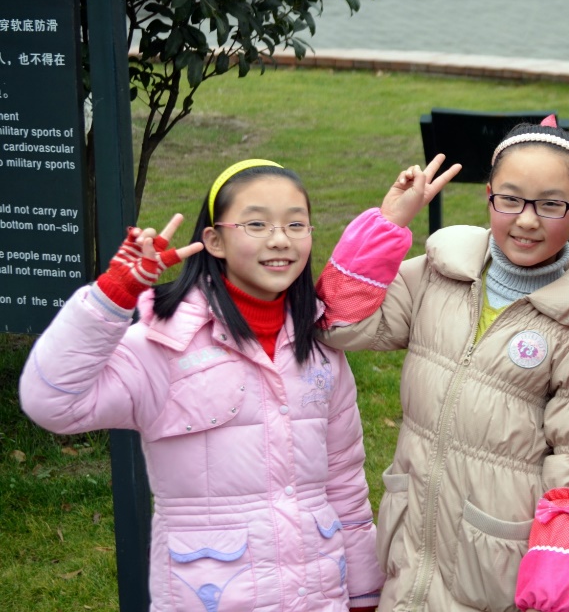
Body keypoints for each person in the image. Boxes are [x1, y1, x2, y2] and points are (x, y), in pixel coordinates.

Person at [17, 159, 414, 611]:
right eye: (257, 223)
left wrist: (364, 594)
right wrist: (111, 297)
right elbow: (50, 401)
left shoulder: (319, 346)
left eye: (295, 224)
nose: (280, 239)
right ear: (214, 240)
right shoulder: (163, 343)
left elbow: (344, 481)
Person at [315, 117, 569, 612]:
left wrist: (555, 565)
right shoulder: (441, 270)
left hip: (500, 557)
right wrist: (389, 224)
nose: (527, 220)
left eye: (551, 204)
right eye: (510, 199)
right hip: (413, 536)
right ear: (489, 195)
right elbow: (340, 323)